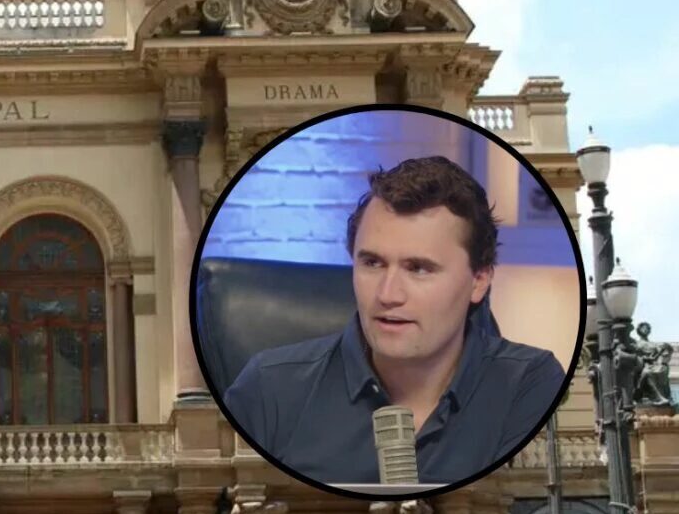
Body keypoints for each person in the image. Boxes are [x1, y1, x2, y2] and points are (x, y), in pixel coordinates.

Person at [222, 156, 566, 487]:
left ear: (479, 280)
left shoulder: (527, 386)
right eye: (372, 263)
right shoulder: (269, 390)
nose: (387, 295)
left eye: (419, 268)